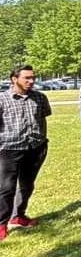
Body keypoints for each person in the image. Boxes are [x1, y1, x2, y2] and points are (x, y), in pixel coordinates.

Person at [0, 65, 51, 242]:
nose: (31, 81)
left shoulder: (40, 97)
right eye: (27, 78)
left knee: (27, 185)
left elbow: (43, 119)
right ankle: (1, 224)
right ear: (14, 79)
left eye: (33, 78)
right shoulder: (2, 99)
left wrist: (42, 141)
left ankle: (18, 216)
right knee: (6, 188)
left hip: (35, 148)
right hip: (9, 149)